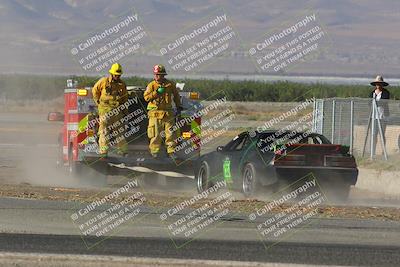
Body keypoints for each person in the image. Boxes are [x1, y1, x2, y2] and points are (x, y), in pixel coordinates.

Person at [143, 64, 182, 159]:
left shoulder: (170, 84)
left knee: (170, 133)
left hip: (168, 113)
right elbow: (146, 97)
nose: (157, 76)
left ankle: (171, 151)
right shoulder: (151, 85)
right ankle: (154, 152)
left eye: (159, 74)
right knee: (155, 134)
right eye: (156, 74)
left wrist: (178, 106)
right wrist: (157, 93)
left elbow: (176, 96)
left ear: (163, 75)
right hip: (155, 113)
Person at [92, 63, 128, 156]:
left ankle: (123, 151)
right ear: (111, 73)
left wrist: (125, 111)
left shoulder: (122, 84)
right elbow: (95, 90)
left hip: (117, 111)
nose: (117, 76)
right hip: (104, 111)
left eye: (119, 75)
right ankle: (103, 151)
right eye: (116, 74)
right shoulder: (104, 81)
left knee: (119, 131)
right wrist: (98, 103)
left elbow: (124, 98)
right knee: (104, 132)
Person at [369, 75, 390, 155]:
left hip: (382, 117)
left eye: (380, 83)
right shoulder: (372, 93)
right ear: (375, 84)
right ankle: (372, 152)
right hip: (374, 117)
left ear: (382, 84)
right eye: (377, 83)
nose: (378, 85)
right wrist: (374, 102)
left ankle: (383, 152)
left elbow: (384, 101)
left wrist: (375, 102)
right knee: (373, 135)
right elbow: (369, 103)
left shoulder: (385, 93)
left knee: (382, 135)